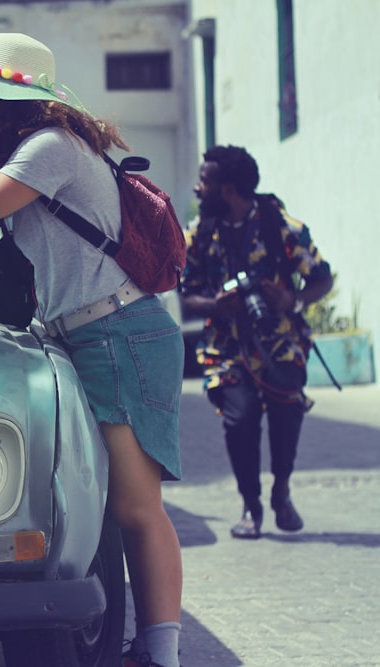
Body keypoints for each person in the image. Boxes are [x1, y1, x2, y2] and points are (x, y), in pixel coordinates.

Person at [0, 33, 184, 667]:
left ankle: (162, 654)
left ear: (15, 100)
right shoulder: (35, 150)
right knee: (108, 505)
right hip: (89, 334)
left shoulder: (51, 148)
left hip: (119, 334)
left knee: (137, 508)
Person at [180, 145, 333, 540]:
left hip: (280, 342)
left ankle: (281, 490)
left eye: (204, 181)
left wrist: (294, 299)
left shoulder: (283, 228)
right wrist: (217, 303)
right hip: (225, 348)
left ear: (227, 189)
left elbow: (322, 277)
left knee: (285, 413)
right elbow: (186, 295)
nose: (198, 189)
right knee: (240, 419)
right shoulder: (200, 234)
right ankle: (251, 503)